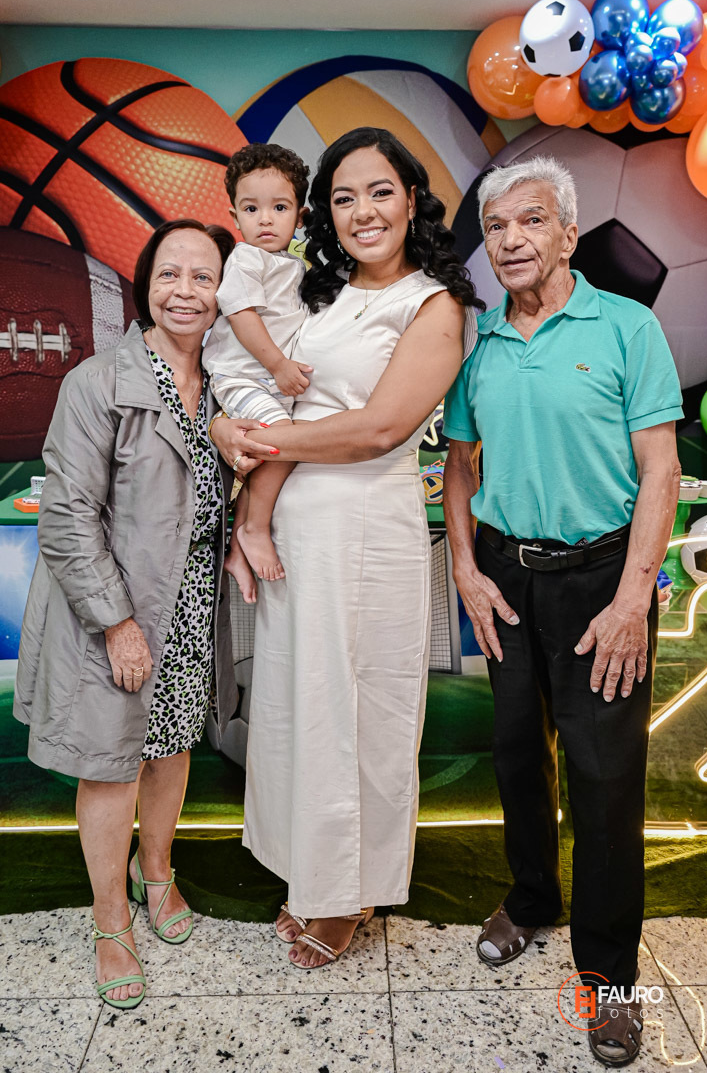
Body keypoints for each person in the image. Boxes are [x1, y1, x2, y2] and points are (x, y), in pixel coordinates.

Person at [211, 126, 481, 970]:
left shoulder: (432, 304)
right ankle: (309, 872)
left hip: (367, 534)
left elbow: (378, 429)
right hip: (297, 533)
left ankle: (348, 893)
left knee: (361, 713)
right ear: (321, 214)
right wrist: (230, 431)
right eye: (342, 197)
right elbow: (259, 376)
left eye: (379, 191)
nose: (362, 210)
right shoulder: (316, 293)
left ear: (411, 199)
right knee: (299, 705)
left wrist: (259, 439)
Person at [442, 156, 682, 1068]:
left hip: (600, 582)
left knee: (604, 777)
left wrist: (631, 597)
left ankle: (609, 979)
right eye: (495, 227)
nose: (510, 240)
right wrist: (465, 569)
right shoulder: (479, 343)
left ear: (569, 234)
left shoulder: (626, 328)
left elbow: (659, 469)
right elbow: (458, 464)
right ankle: (532, 898)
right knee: (515, 756)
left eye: (530, 220)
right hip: (506, 575)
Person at [13, 219, 240, 1010]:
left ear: (224, 292)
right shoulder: (99, 381)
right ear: (145, 284)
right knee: (111, 763)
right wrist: (117, 622)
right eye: (170, 274)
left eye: (204, 277)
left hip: (191, 605)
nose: (186, 291)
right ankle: (110, 918)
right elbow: (66, 516)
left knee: (171, 746)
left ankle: (157, 874)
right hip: (116, 611)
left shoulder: (225, 383)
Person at [203, 143, 313, 602]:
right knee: (284, 442)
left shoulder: (292, 264)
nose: (265, 220)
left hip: (270, 381)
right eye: (251, 209)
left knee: (271, 452)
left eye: (279, 208)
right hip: (244, 377)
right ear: (235, 216)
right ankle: (254, 528)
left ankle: (235, 546)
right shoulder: (247, 259)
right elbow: (242, 315)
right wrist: (279, 366)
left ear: (300, 216)